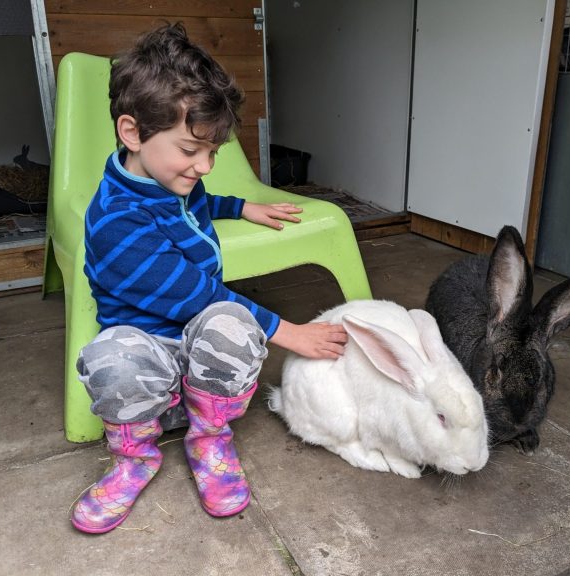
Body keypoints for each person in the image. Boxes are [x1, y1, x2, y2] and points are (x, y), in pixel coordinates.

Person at [70, 22, 348, 534]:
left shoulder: (168, 176)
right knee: (113, 355)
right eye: (190, 149)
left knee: (232, 325)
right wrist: (291, 333)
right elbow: (194, 294)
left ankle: (209, 439)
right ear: (132, 131)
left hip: (205, 373)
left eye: (213, 152)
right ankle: (134, 457)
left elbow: (194, 204)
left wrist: (243, 207)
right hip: (150, 363)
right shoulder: (115, 222)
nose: (203, 165)